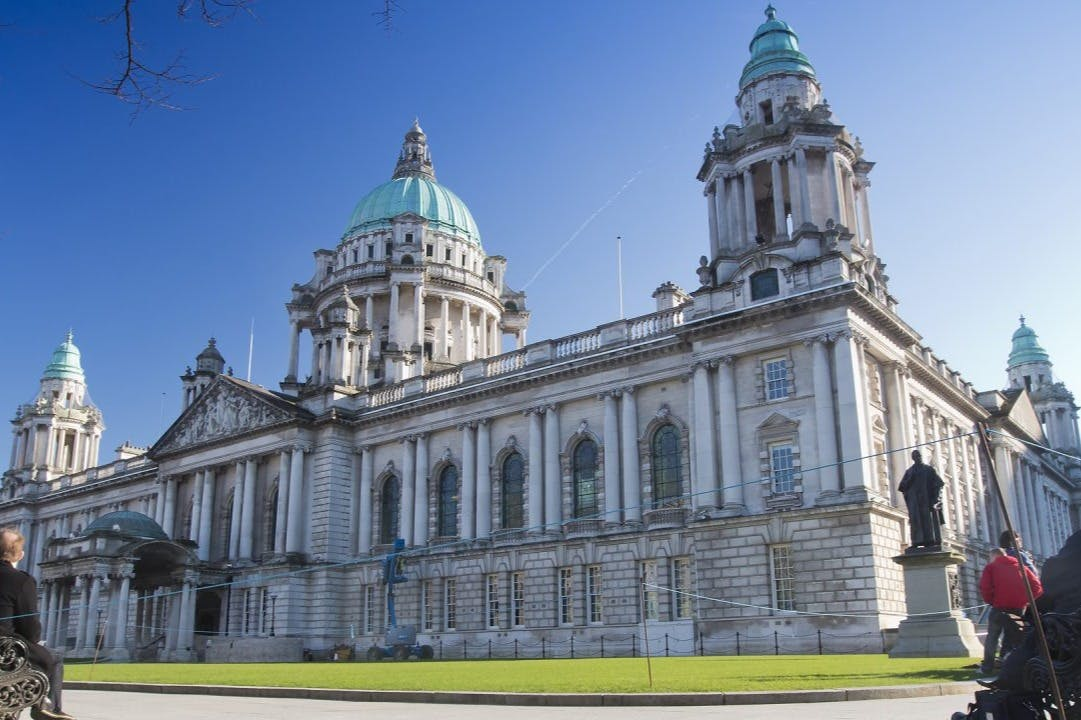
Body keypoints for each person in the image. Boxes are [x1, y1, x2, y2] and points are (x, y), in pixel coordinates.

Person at [0, 527, 75, 720]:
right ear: (20, 554)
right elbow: (30, 626)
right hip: (5, 651)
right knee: (54, 657)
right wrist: (35, 641)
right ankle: (46, 707)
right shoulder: (20, 580)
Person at [978, 544, 1042, 676]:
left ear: (994, 556)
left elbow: (985, 587)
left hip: (999, 607)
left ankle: (987, 667)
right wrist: (1026, 601)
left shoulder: (991, 568)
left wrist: (991, 600)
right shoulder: (1022, 568)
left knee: (992, 637)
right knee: (1015, 638)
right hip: (1018, 608)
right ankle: (1013, 666)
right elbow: (1037, 587)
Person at [898, 450, 944, 549]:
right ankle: (916, 542)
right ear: (913, 458)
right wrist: (910, 480)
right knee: (916, 521)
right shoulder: (909, 471)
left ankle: (931, 541)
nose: (917, 457)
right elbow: (902, 486)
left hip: (927, 500)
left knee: (928, 520)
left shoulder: (928, 469)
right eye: (915, 456)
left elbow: (939, 483)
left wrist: (936, 498)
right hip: (915, 502)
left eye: (919, 455)